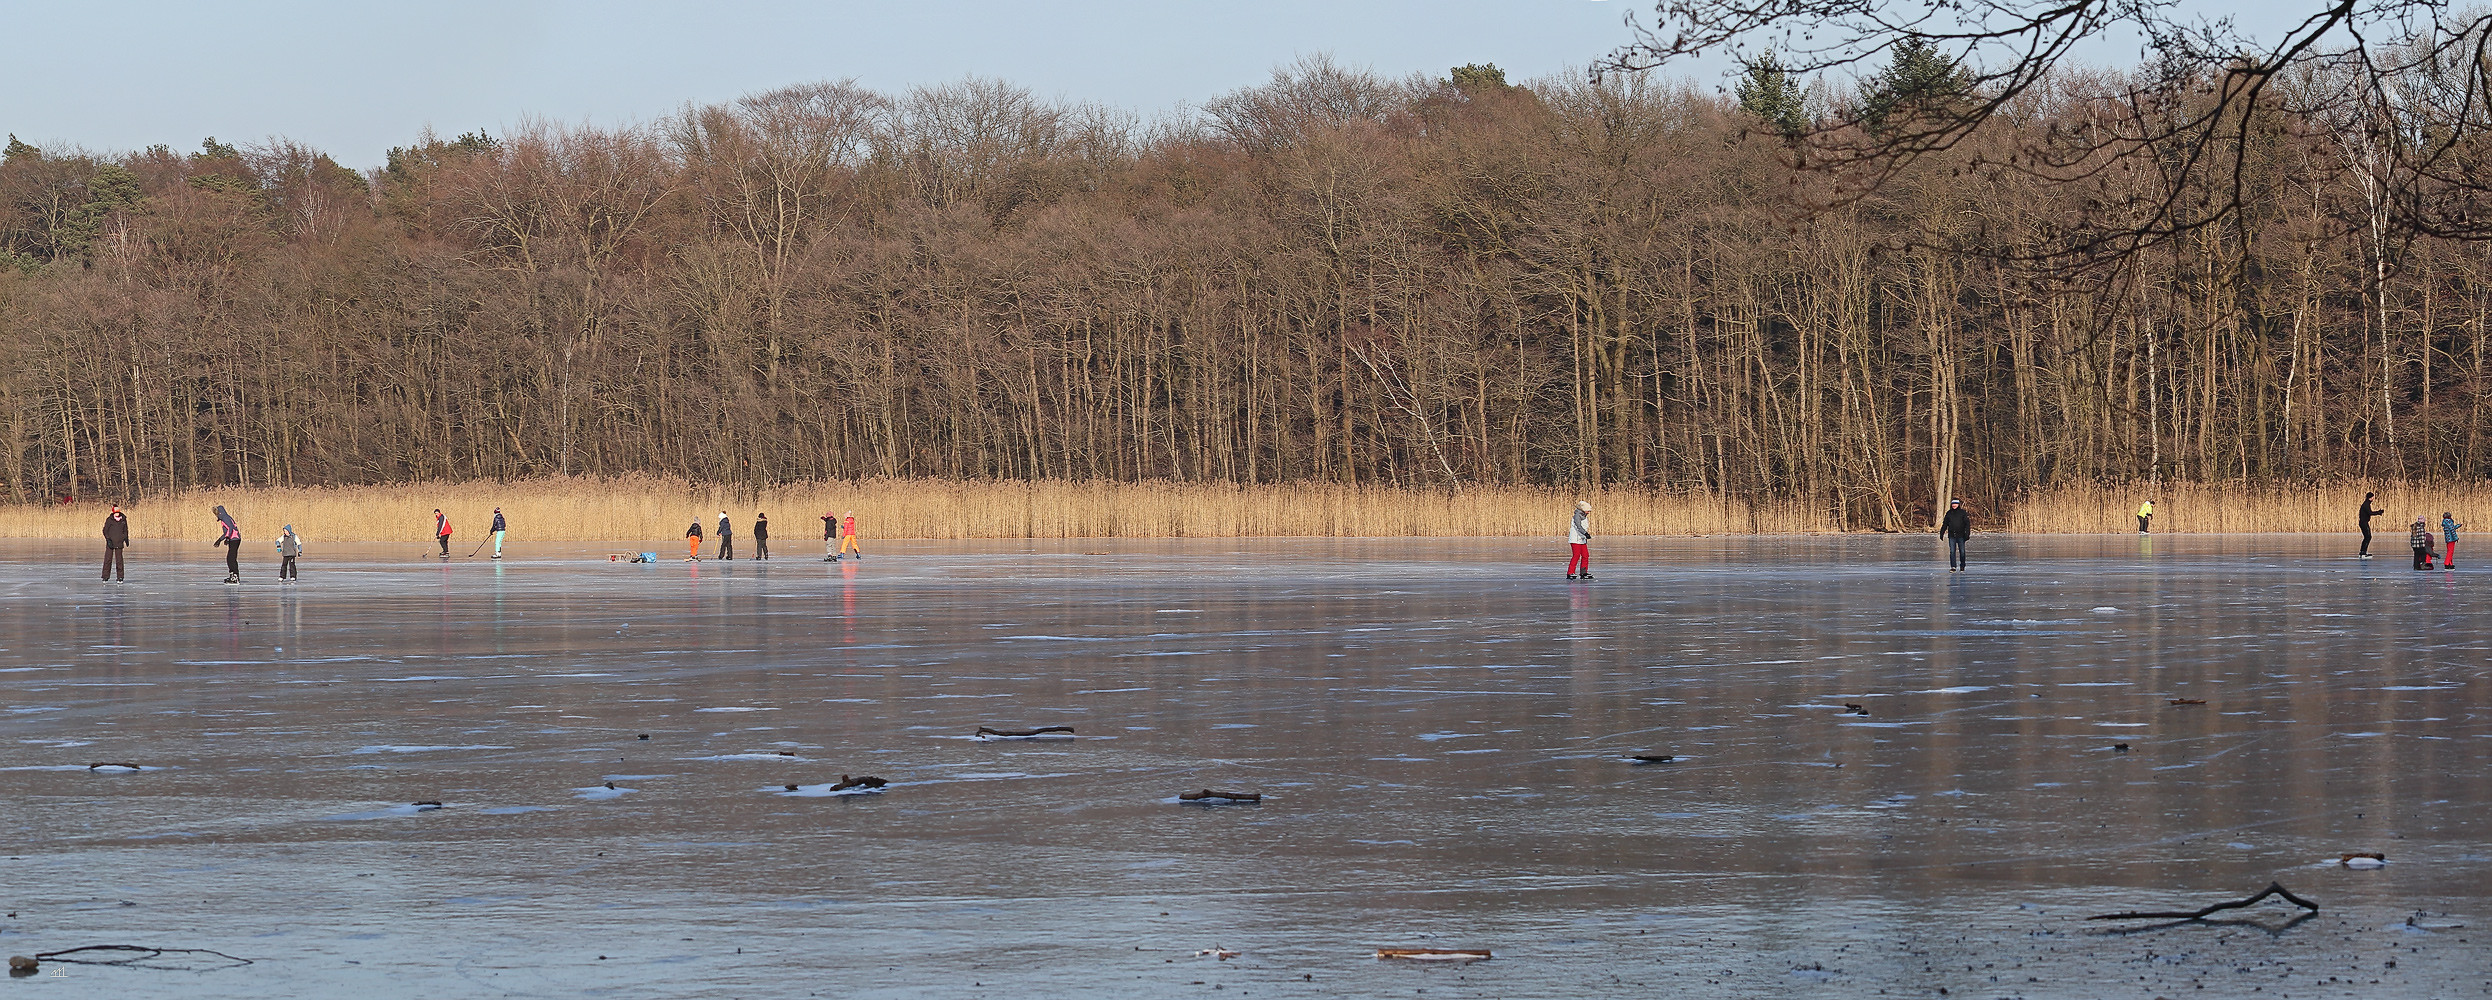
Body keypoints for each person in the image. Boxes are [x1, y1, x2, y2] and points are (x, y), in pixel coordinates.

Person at [1941, 498, 1972, 571]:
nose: (1954, 505)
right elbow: (1945, 524)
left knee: (1962, 551)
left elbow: (1967, 524)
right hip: (1952, 535)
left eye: (1955, 504)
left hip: (1961, 535)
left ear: (1958, 504)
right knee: (1952, 551)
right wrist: (1942, 533)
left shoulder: (1962, 513)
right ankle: (1953, 566)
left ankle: (1962, 565)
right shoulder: (1949, 513)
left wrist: (1967, 534)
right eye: (1953, 504)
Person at [214, 505, 243, 583]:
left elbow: (230, 528)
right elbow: (227, 532)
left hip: (234, 539)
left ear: (220, 512)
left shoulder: (225, 518)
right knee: (230, 558)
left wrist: (227, 538)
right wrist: (220, 540)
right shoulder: (226, 517)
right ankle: (233, 575)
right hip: (234, 539)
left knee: (231, 559)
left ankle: (235, 577)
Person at [101, 506, 130, 582]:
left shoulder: (123, 520)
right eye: (115, 512)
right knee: (108, 559)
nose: (117, 514)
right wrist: (108, 539)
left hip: (119, 542)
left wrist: (126, 538)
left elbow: (125, 530)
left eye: (118, 512)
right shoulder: (109, 520)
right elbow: (105, 530)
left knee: (119, 560)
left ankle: (120, 577)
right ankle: (105, 576)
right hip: (110, 542)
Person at [1566, 501, 1592, 580]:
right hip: (1575, 539)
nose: (1589, 512)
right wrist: (1585, 533)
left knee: (1585, 555)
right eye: (1588, 510)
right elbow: (1578, 527)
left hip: (1582, 539)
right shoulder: (1577, 516)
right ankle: (1570, 572)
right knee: (1576, 555)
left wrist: (1585, 535)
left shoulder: (1584, 516)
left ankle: (1583, 572)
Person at [2358, 492, 2382, 559]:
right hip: (2363, 523)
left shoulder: (2366, 503)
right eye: (2373, 497)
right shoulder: (2366, 504)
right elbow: (2370, 513)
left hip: (2363, 522)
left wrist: (2378, 512)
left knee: (2367, 537)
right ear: (2370, 498)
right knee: (2368, 537)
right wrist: (2378, 512)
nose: (2373, 499)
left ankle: (2362, 552)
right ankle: (2363, 552)